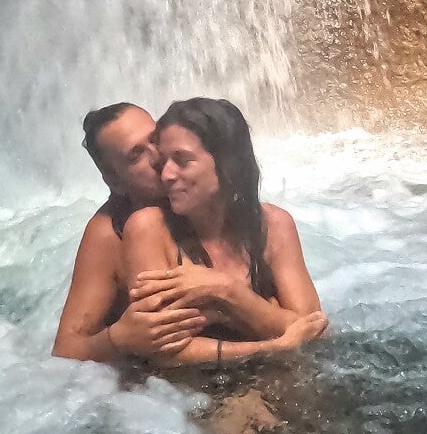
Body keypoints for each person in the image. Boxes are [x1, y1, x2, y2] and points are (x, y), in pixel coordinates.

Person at [119, 97, 328, 366]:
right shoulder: (149, 228)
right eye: (163, 163)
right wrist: (271, 344)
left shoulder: (274, 224)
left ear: (228, 164)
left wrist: (225, 291)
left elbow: (314, 331)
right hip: (187, 386)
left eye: (182, 160)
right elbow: (163, 352)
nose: (166, 175)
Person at [52, 102, 206, 363]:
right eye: (136, 156)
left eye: (155, 139)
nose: (157, 156)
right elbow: (65, 349)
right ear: (114, 181)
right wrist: (118, 339)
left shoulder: (204, 191)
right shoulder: (108, 233)